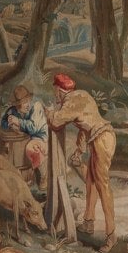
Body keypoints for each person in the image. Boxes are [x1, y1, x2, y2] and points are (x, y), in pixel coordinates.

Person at [49, 72, 117, 243]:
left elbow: (56, 122)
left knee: (102, 186)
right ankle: (88, 223)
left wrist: (48, 112)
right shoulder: (81, 95)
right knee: (91, 182)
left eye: (55, 91)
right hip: (101, 138)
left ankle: (111, 236)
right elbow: (84, 125)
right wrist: (79, 151)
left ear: (60, 90)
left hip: (101, 140)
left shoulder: (70, 102)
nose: (55, 95)